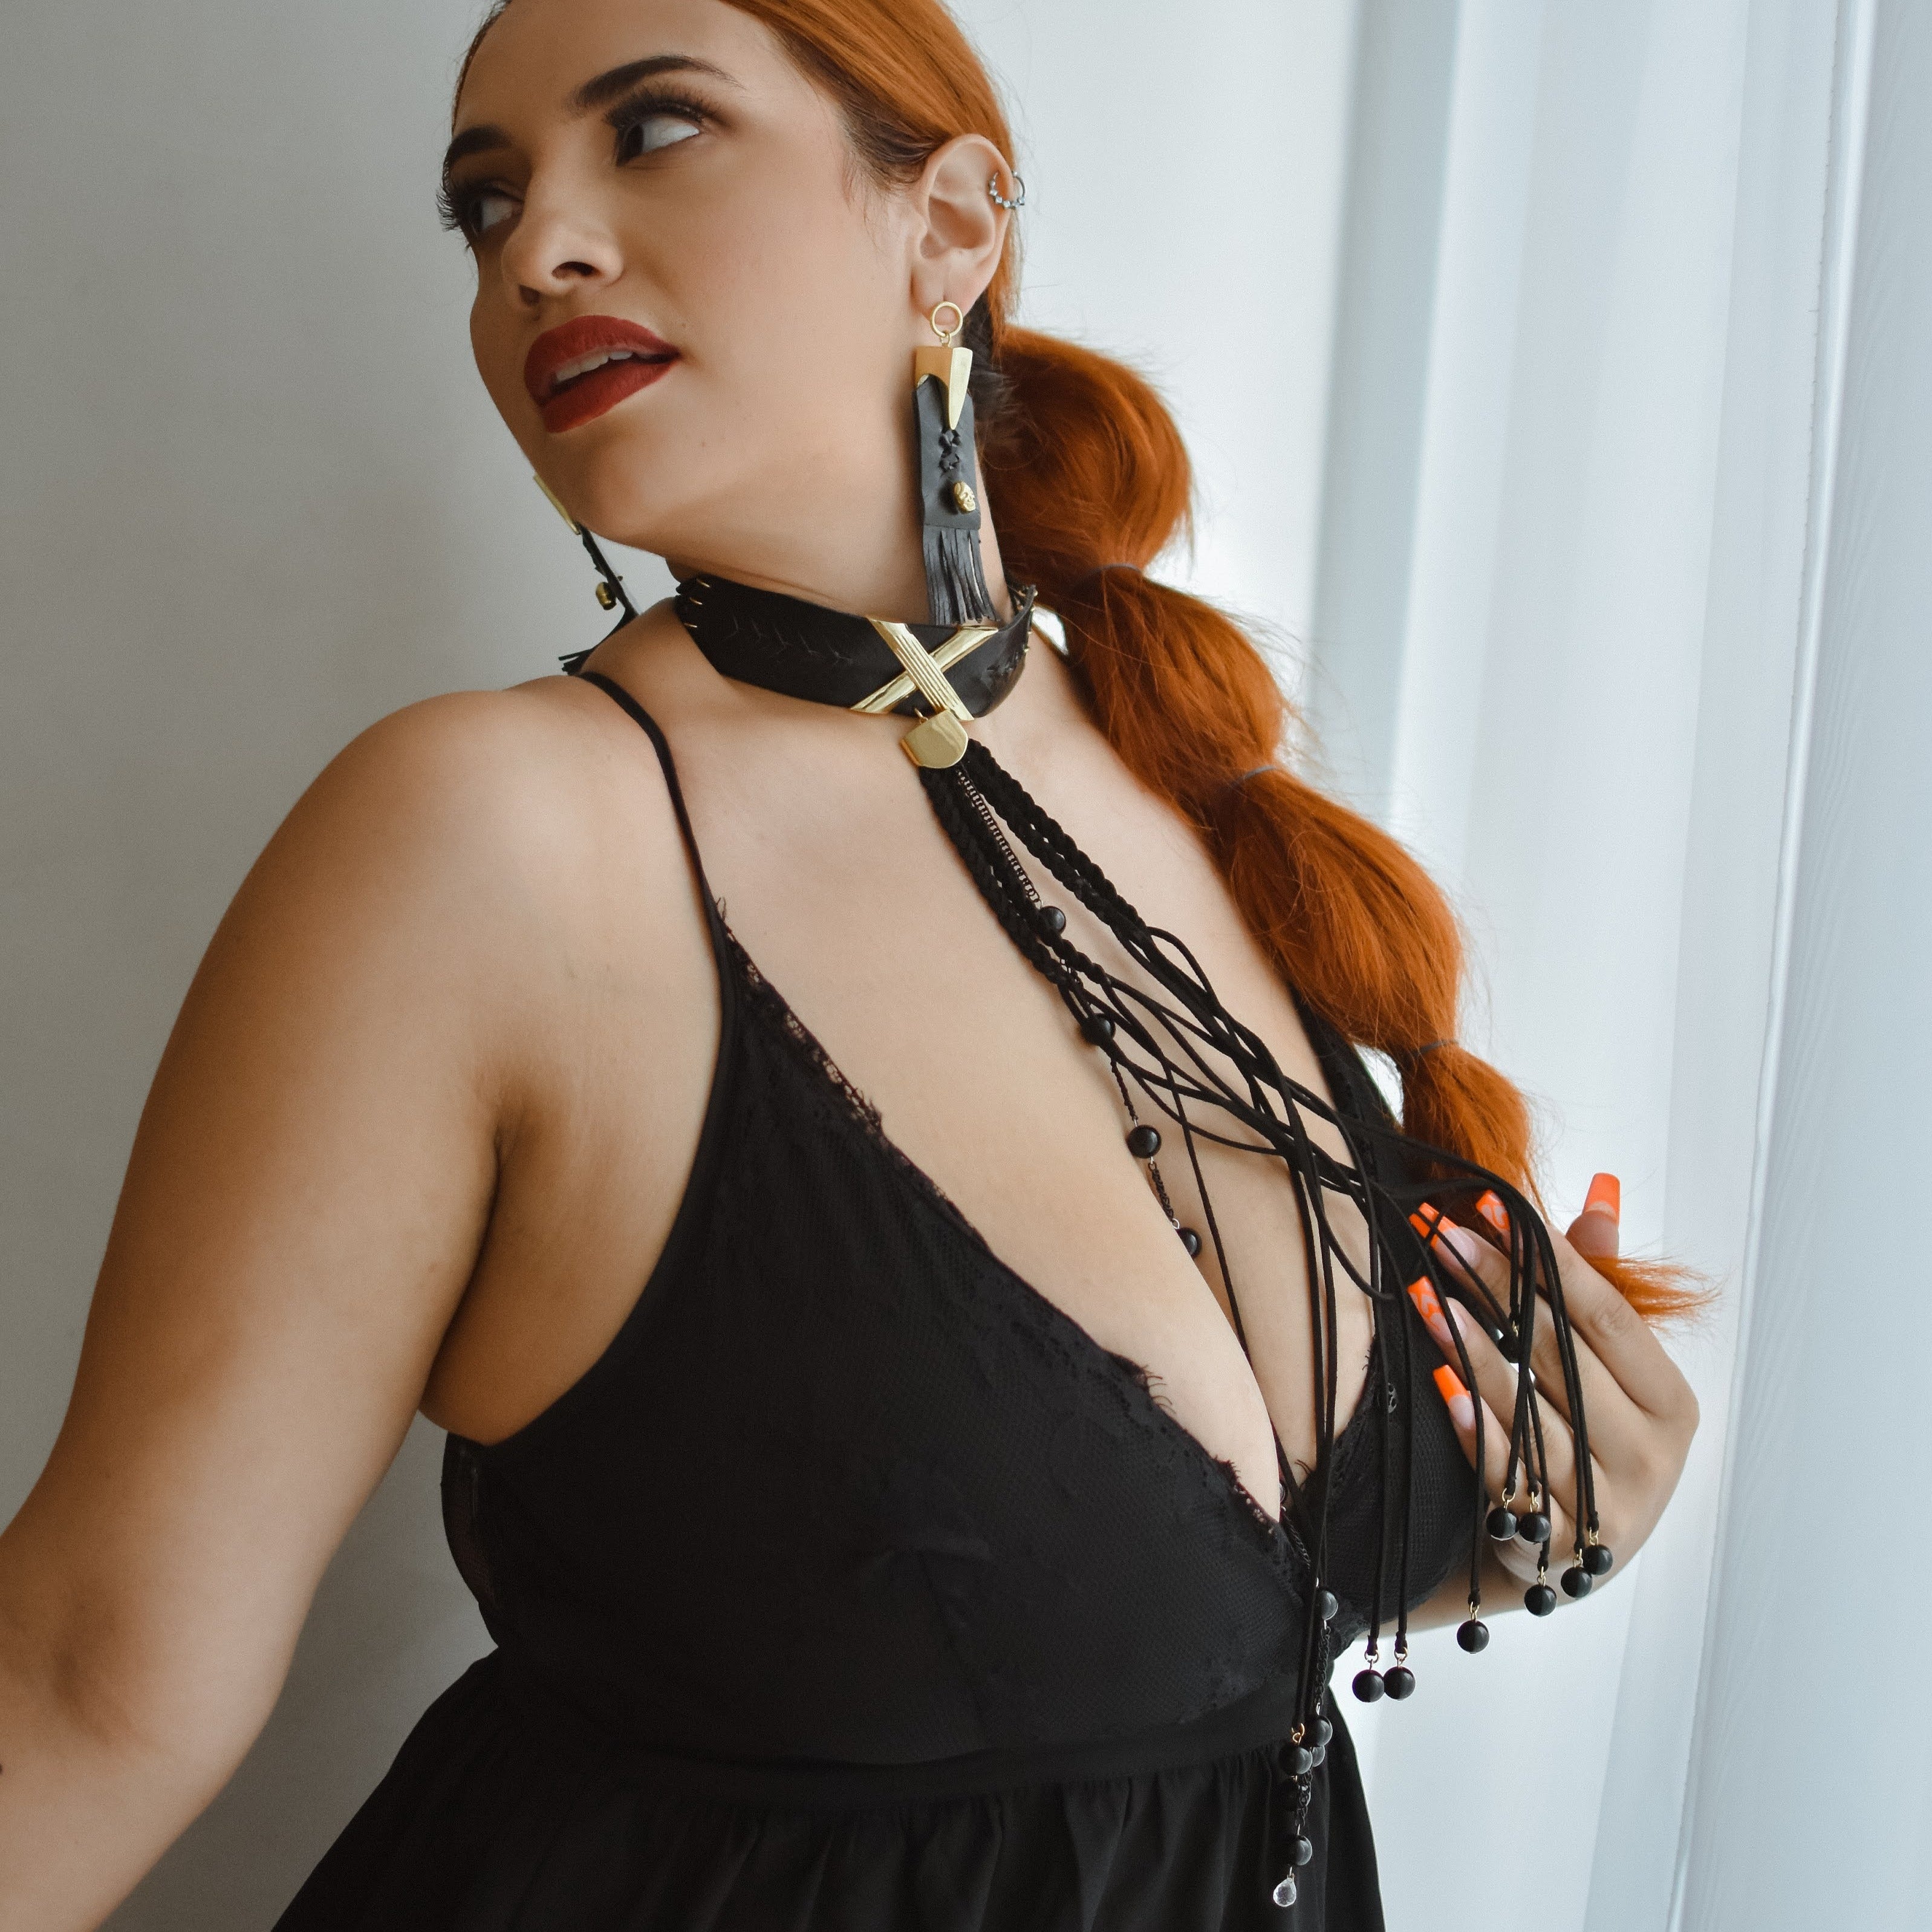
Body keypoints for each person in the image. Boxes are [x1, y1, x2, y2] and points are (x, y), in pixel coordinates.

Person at [0, 1, 1701, 1927]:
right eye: (485, 203)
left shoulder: (1172, 768)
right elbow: (84, 1678)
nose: (537, 247)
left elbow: (1145, 1638)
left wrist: (1527, 1520)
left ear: (949, 226)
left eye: (651, 130)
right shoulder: (491, 840)